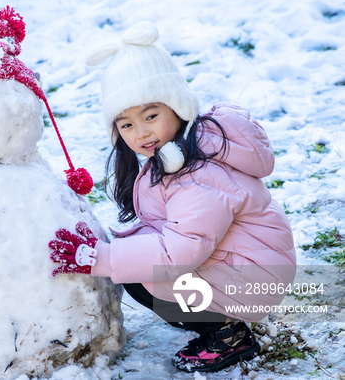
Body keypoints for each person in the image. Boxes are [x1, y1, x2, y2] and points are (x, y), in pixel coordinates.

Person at [48, 22, 296, 373]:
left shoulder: (197, 174)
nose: (142, 132)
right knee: (137, 258)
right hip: (244, 264)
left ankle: (229, 335)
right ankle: (222, 320)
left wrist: (99, 258)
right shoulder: (180, 153)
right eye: (127, 124)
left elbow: (180, 251)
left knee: (139, 274)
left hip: (256, 274)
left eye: (151, 116)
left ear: (177, 107)